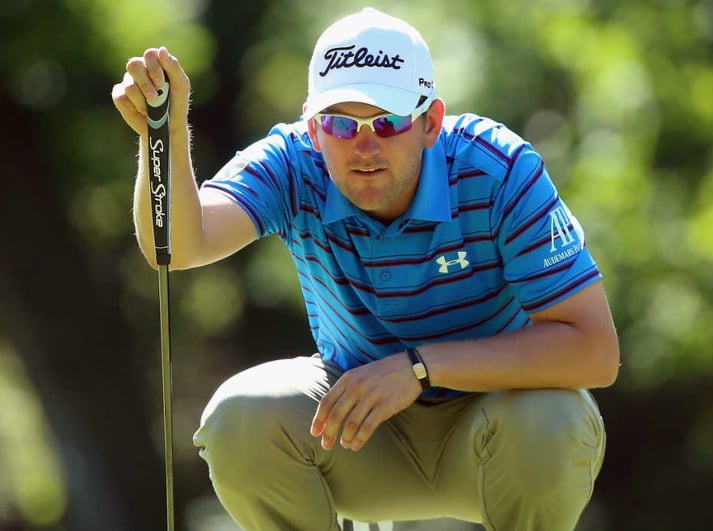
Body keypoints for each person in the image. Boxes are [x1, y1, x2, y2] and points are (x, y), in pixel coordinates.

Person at [111, 8, 619, 530]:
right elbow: (179, 246)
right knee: (240, 415)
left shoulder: (500, 170)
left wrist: (420, 368)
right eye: (339, 124)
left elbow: (595, 352)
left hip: (497, 436)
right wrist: (166, 139)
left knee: (552, 420)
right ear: (312, 128)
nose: (365, 146)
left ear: (430, 122)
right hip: (358, 436)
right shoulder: (292, 164)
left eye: (388, 121)